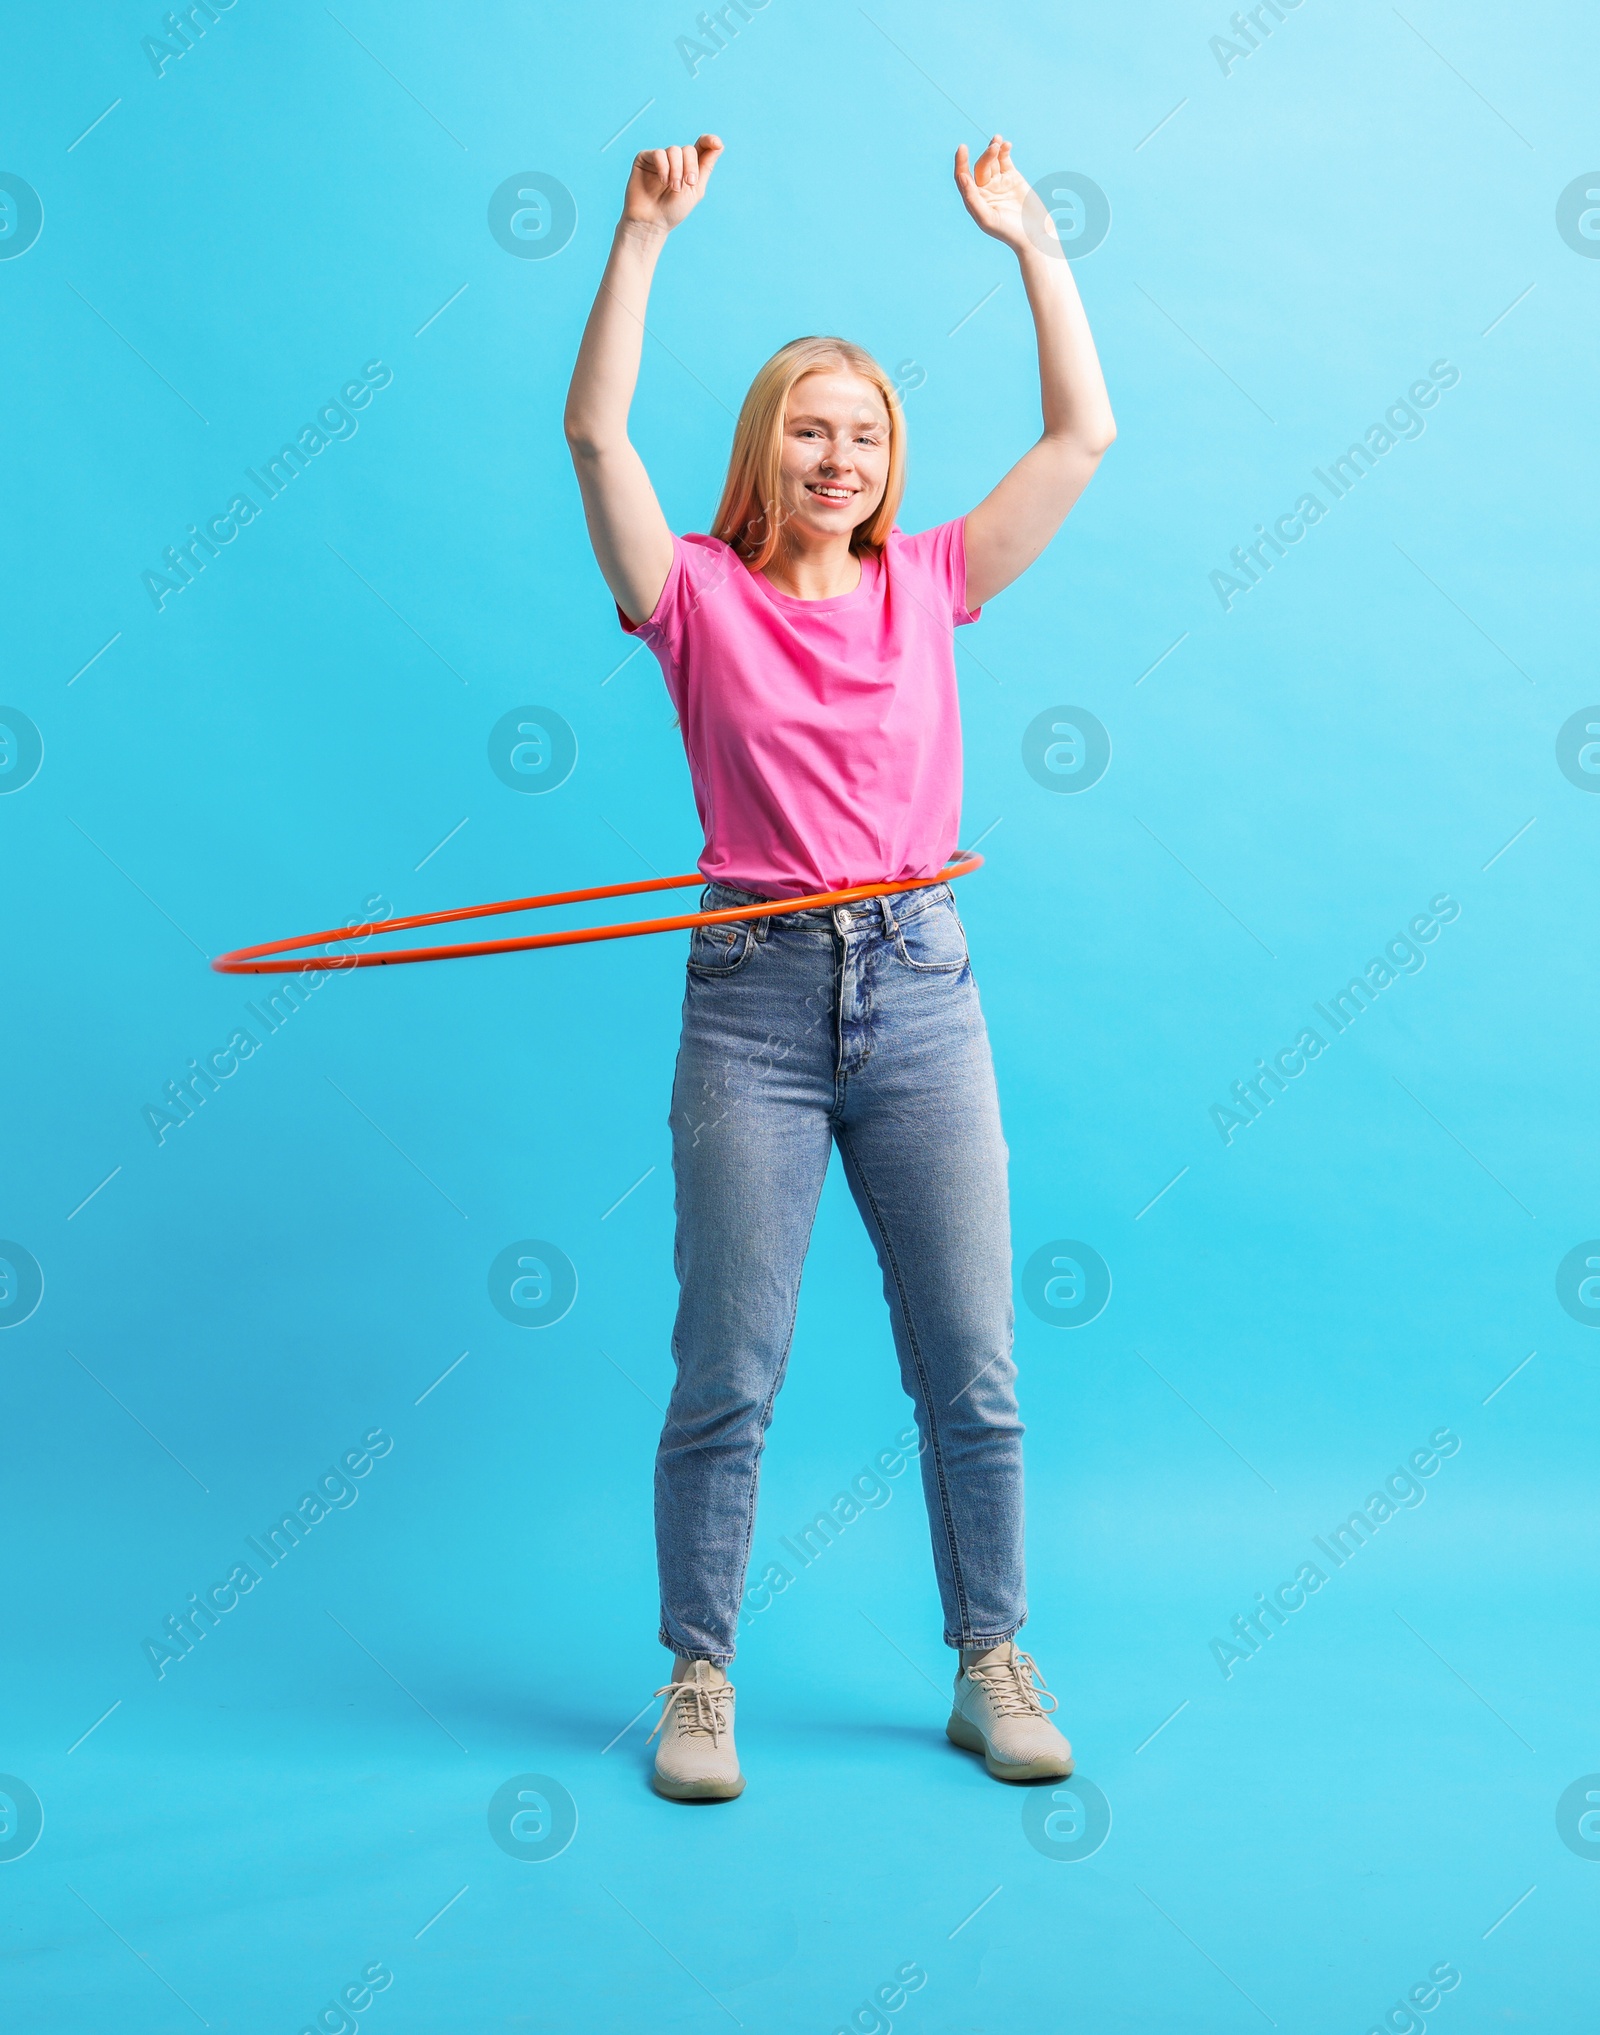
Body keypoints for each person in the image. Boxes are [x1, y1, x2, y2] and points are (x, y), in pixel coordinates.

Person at [564, 132, 1115, 1801]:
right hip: (754, 1001)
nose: (839, 454)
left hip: (922, 989)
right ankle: (698, 1677)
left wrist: (1029, 240)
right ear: (765, 445)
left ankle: (991, 1658)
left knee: (974, 1363)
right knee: (727, 1366)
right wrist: (643, 239)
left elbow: (1083, 435)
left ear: (891, 461)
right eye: (810, 426)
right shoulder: (696, 597)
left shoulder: (931, 582)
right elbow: (594, 434)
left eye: (865, 433)